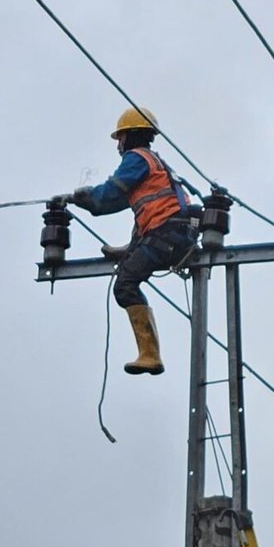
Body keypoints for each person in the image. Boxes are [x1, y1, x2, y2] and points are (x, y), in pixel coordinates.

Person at [66, 107, 194, 376]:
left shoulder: (137, 159)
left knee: (125, 285)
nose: (119, 145)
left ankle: (150, 355)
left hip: (167, 235)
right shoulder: (155, 164)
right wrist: (128, 249)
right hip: (172, 233)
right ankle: (150, 354)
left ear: (131, 136)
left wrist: (85, 196)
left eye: (120, 138)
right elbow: (142, 215)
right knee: (129, 272)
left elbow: (110, 194)